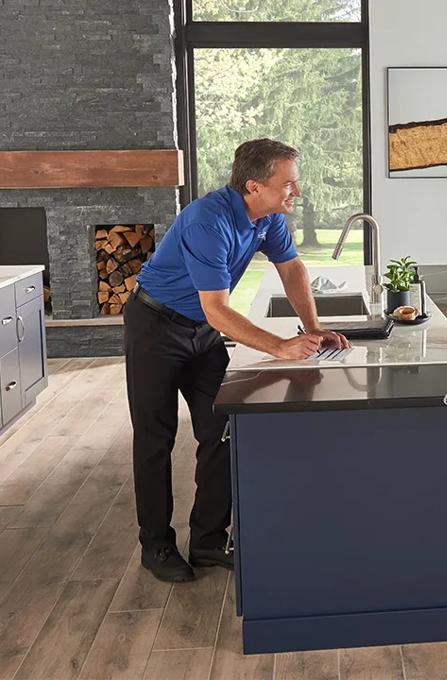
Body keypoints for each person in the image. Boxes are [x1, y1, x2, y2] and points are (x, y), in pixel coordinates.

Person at [125, 138, 349, 583]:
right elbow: (218, 309)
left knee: (221, 428)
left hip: (202, 333)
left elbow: (293, 270)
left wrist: (313, 328)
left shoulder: (267, 218)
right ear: (253, 186)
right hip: (156, 327)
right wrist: (281, 347)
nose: (295, 193)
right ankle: (156, 545)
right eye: (288, 185)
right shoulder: (208, 222)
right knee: (156, 437)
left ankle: (208, 539)